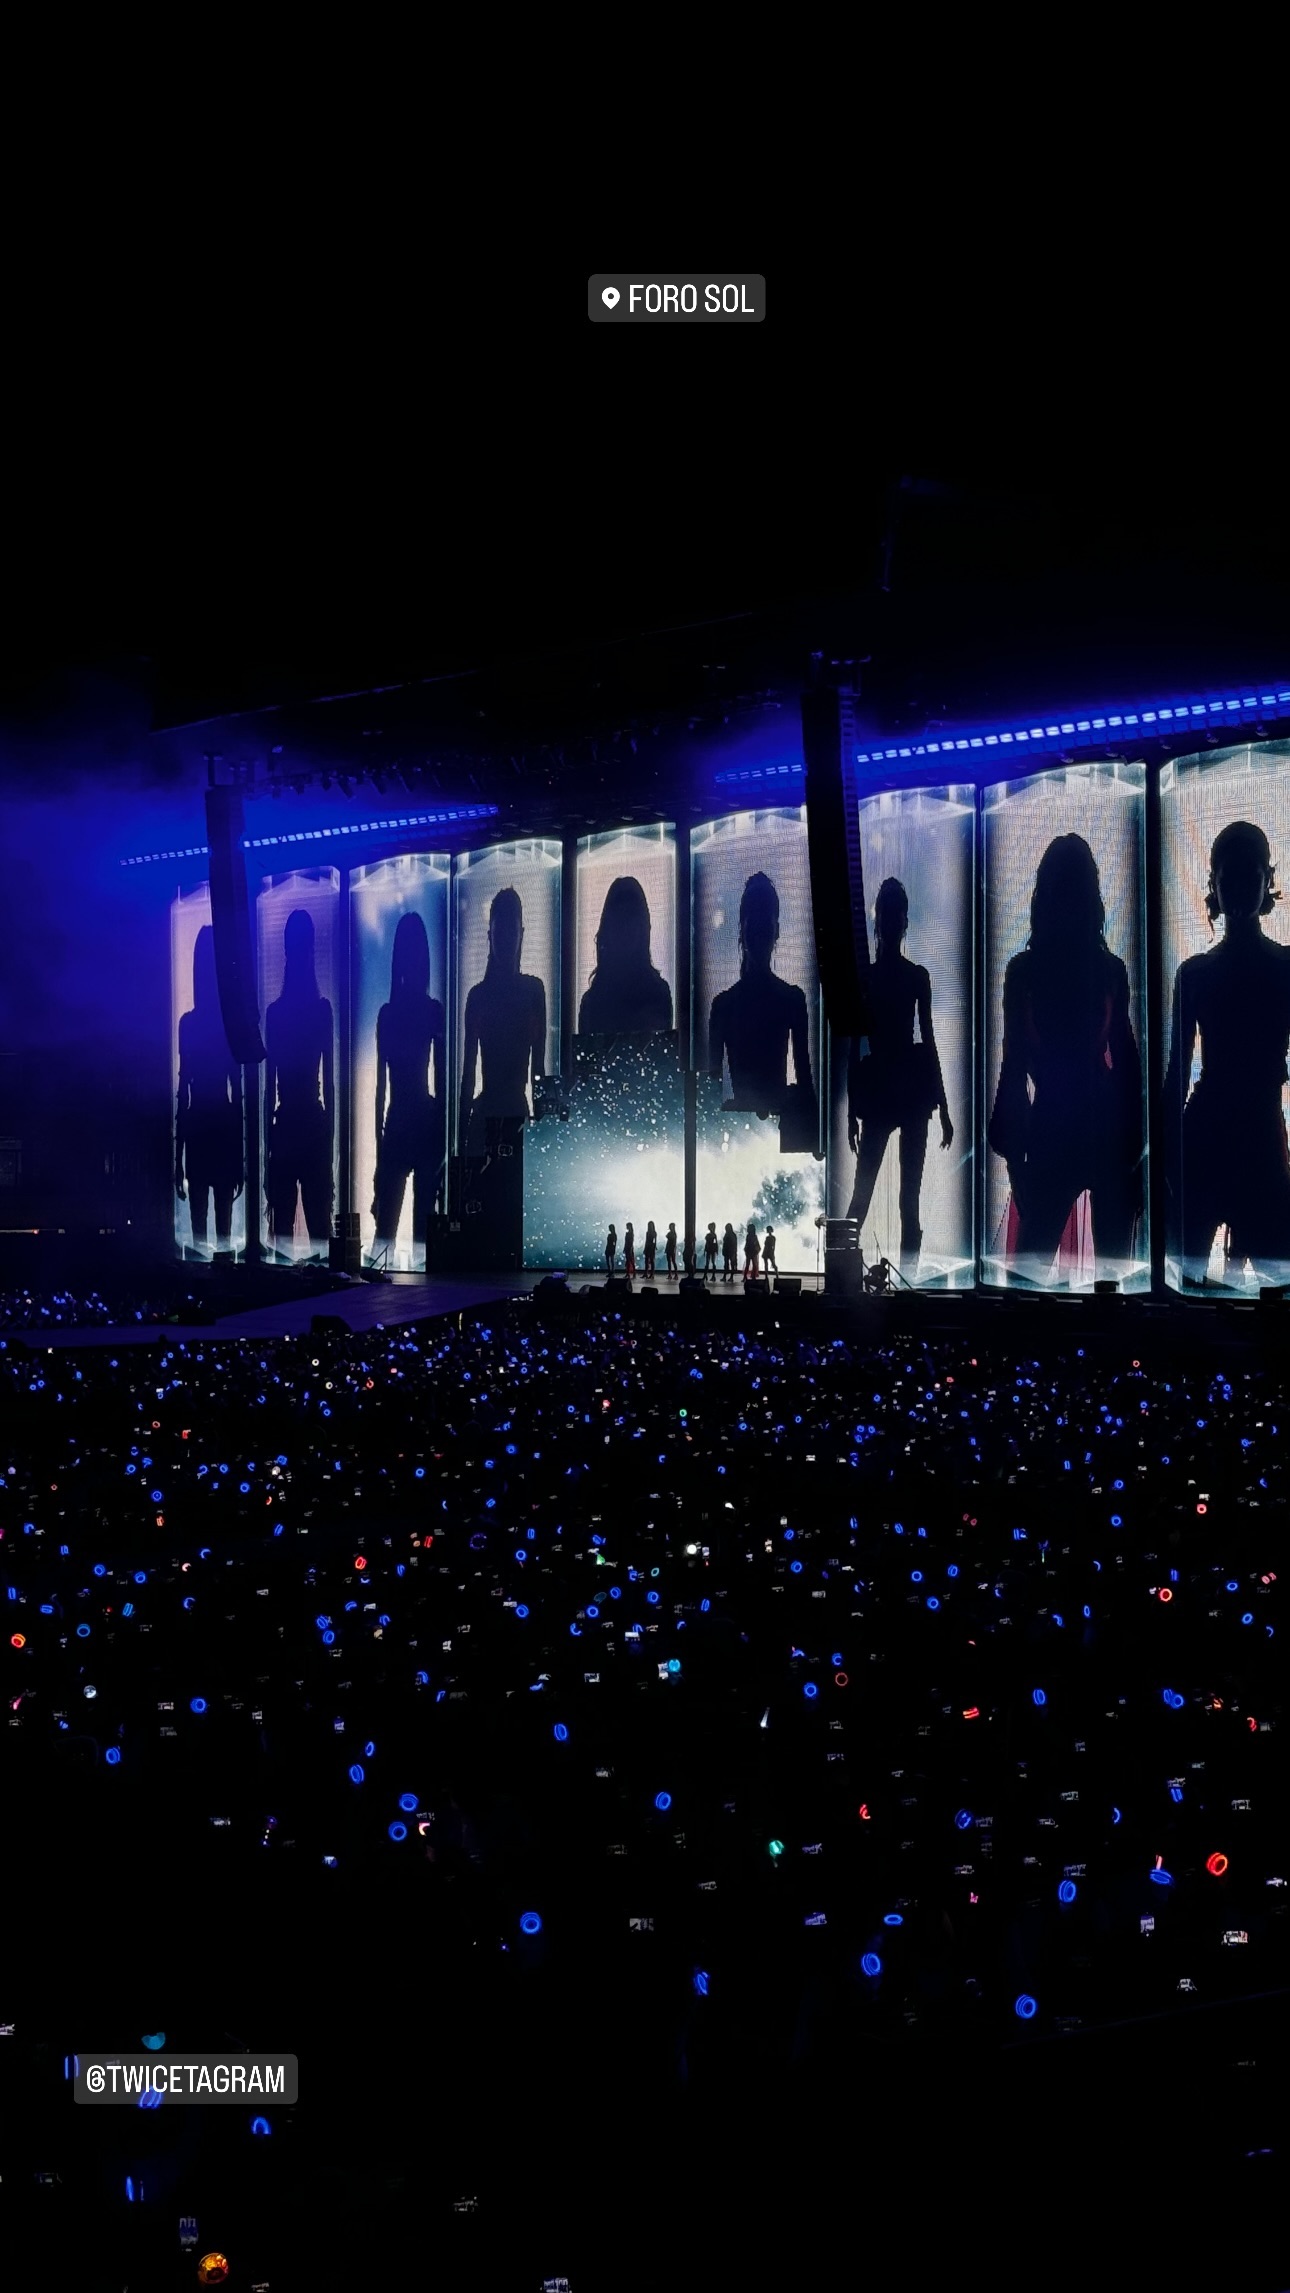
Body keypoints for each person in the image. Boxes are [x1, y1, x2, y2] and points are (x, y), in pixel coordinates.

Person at [988, 834, 1142, 1276]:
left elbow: (1014, 1066)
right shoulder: (1105, 970)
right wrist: (1136, 1148)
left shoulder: (1028, 972)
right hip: (1096, 1127)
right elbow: (1126, 1064)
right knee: (1110, 1274)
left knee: (1033, 1270)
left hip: (1058, 1125)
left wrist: (1016, 1157)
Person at [1164, 819, 1290, 1280]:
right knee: (1273, 1277)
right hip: (1251, 1133)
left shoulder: (1198, 973)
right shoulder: (1279, 968)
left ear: (1266, 879)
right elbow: (1176, 1077)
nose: (1238, 886)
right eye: (1229, 876)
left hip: (1220, 1133)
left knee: (1191, 1277)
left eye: (1247, 875)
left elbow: (1177, 1079)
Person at [845, 879, 954, 1280]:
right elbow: (927, 1041)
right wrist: (943, 1107)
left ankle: (848, 1277)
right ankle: (907, 1281)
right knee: (905, 1199)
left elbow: (855, 1048)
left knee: (867, 1196)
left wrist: (852, 1111)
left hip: (884, 1088)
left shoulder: (872, 979)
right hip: (907, 1088)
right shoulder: (913, 977)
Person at [708, 872, 815, 1126]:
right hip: (770, 1128)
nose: (759, 934)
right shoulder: (791, 999)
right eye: (756, 926)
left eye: (762, 926)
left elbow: (711, 1094)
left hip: (742, 1131)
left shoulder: (724, 1006)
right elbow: (805, 1087)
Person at [371, 912, 446, 1262]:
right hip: (420, 1121)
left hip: (401, 1121)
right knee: (420, 1237)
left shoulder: (390, 1014)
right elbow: (441, 1086)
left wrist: (379, 1151)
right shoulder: (430, 1011)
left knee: (387, 1235)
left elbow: (380, 1090)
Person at [264, 909, 334, 1255]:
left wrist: (268, 1152)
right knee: (318, 1229)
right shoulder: (320, 1010)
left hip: (290, 1126)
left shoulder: (277, 1014)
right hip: (309, 1125)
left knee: (284, 1232)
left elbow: (269, 1091)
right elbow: (329, 1086)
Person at [459, 888, 547, 1161]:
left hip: (497, 1116)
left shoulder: (483, 996)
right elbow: (538, 1071)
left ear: (520, 934)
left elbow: (469, 1077)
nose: (506, 939)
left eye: (511, 931)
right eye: (501, 931)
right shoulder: (529, 992)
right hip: (507, 1116)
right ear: (491, 936)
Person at [175, 924, 243, 1254]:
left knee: (202, 1227)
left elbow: (182, 1091)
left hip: (200, 1127)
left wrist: (177, 1159)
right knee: (221, 1229)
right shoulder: (225, 1024)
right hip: (220, 1128)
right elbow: (237, 1095)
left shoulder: (189, 1024)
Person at [578, 876, 673, 1035]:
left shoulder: (592, 1001)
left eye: (630, 918)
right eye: (620, 919)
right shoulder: (658, 992)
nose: (625, 929)